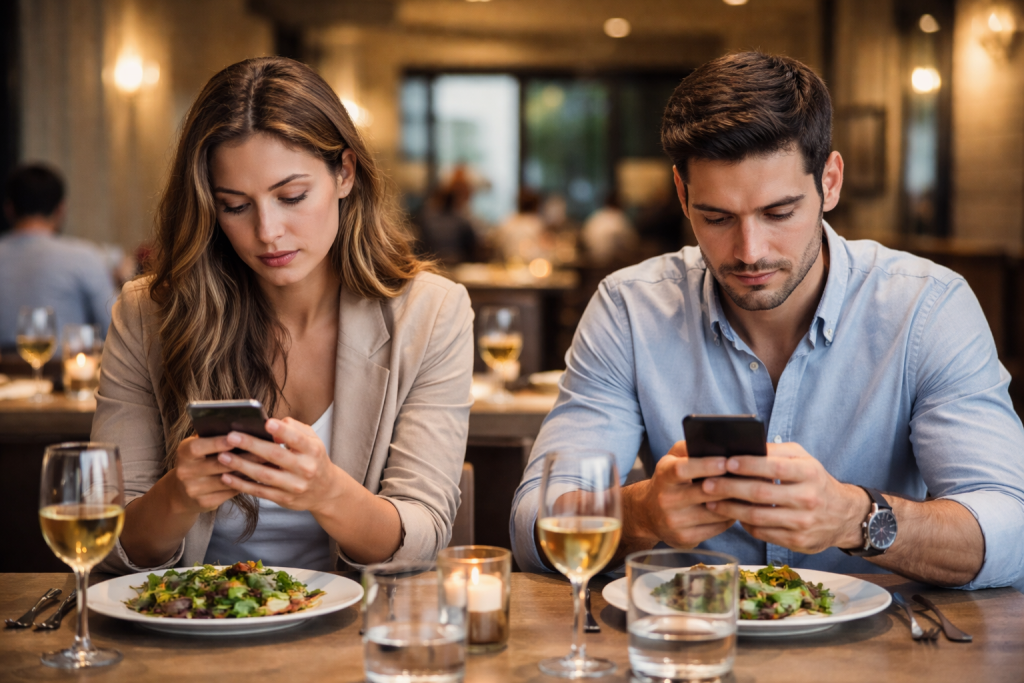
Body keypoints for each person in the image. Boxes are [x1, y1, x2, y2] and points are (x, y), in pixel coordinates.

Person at [511, 52, 1024, 590]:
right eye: (716, 217)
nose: (749, 252)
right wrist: (640, 514)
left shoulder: (927, 307)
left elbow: (1008, 531)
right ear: (683, 196)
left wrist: (856, 518)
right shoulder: (629, 309)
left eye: (779, 213)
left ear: (830, 182)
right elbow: (531, 528)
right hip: (691, 643)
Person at [94, 56, 474, 574]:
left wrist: (326, 491)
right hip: (190, 635)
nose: (268, 231)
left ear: (344, 173)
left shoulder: (431, 313)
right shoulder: (147, 314)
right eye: (234, 205)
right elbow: (109, 545)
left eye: (292, 196)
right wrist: (176, 498)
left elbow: (422, 537)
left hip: (355, 637)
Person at [0, 164, 115, 348]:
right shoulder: (84, 257)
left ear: (9, 209)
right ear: (61, 209)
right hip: (66, 375)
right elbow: (114, 328)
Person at [581, 190, 637, 266]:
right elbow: (631, 243)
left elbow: (584, 238)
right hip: (611, 266)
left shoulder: (595, 217)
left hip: (592, 265)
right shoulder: (619, 218)